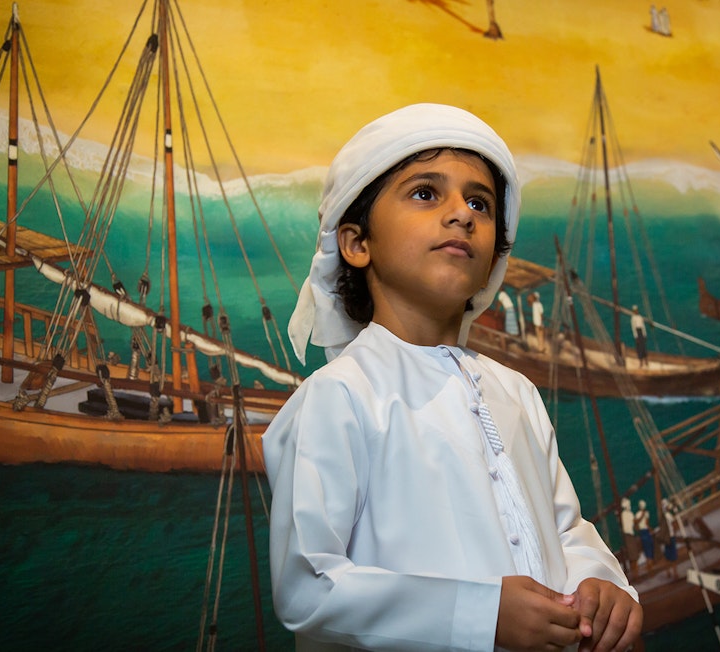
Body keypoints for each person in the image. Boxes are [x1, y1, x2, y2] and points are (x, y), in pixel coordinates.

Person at [265, 103, 642, 651]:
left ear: (493, 260)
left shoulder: (517, 393)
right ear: (356, 243)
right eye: (425, 193)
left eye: (480, 203)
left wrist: (600, 585)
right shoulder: (340, 396)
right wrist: (479, 615)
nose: (461, 214)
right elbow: (308, 586)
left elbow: (566, 530)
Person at [635, 499, 654, 565]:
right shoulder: (638, 514)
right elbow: (636, 522)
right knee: (646, 545)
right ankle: (649, 560)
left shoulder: (646, 513)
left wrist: (650, 529)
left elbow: (646, 523)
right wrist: (642, 516)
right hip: (642, 531)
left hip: (645, 530)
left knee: (649, 545)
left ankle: (650, 560)